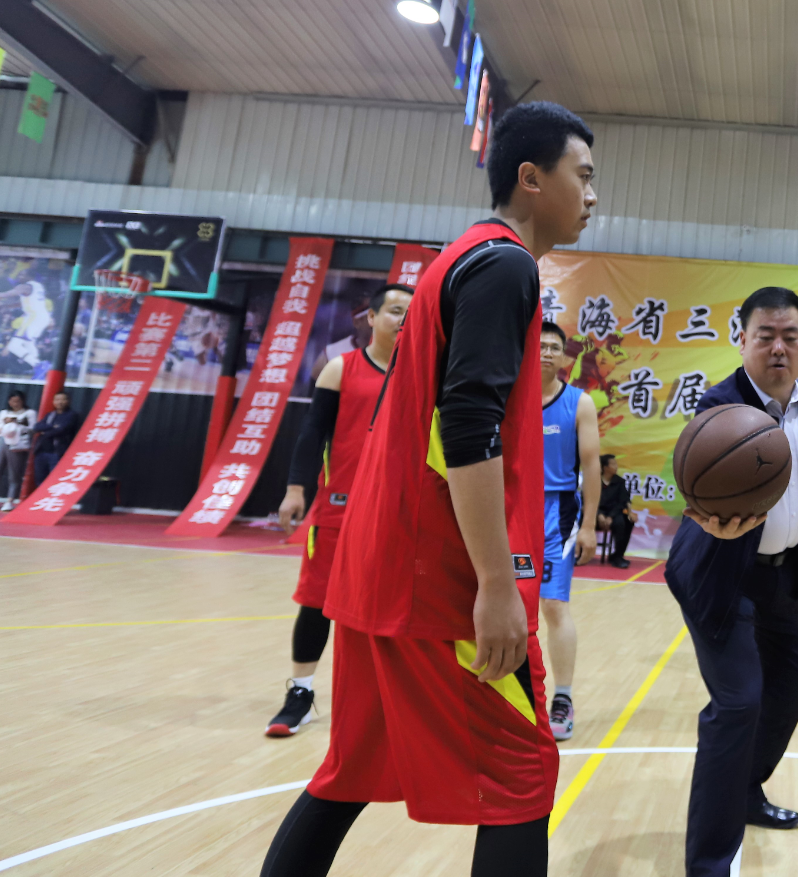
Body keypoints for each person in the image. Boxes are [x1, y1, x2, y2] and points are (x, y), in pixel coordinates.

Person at [258, 101, 597, 877]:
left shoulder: (458, 259)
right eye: (582, 175)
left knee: (349, 772)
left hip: (381, 570)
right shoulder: (505, 265)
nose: (592, 194)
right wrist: (496, 584)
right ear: (531, 178)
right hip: (437, 580)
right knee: (521, 773)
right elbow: (466, 424)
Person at [665, 286, 798, 877]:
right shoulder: (719, 406)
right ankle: (709, 863)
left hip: (782, 580)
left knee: (789, 688)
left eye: (790, 337)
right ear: (741, 339)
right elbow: (696, 490)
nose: (778, 348)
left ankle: (745, 791)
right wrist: (711, 520)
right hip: (721, 579)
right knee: (738, 702)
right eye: (765, 336)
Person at [264, 283, 413, 737]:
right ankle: (301, 694)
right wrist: (295, 489)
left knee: (392, 609)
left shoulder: (424, 375)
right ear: (371, 318)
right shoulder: (340, 369)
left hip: (400, 511)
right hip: (339, 508)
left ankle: (386, 699)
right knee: (317, 603)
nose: (403, 320)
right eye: (395, 311)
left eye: (412, 313)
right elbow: (312, 436)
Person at [538, 319, 600, 742]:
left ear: (564, 357)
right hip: (509, 509)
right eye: (539, 345)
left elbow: (592, 467)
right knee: (502, 602)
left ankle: (562, 696)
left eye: (554, 347)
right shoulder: (506, 396)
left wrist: (589, 525)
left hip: (557, 513)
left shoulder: (580, 403)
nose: (546, 352)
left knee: (553, 605)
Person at [30, 391, 81, 485]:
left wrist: (44, 432)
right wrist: (52, 426)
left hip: (57, 453)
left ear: (69, 401)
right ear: (53, 401)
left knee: (54, 480)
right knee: (40, 479)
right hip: (41, 452)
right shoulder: (50, 415)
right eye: (57, 400)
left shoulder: (72, 415)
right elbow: (37, 427)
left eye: (63, 399)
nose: (60, 402)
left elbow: (61, 429)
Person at [597, 453, 637, 567]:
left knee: (624, 522)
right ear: (605, 467)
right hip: (596, 513)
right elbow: (587, 499)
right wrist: (599, 514)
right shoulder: (594, 481)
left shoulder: (620, 482)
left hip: (614, 514)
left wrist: (610, 516)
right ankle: (579, 554)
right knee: (580, 520)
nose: (616, 466)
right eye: (613, 464)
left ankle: (618, 556)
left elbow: (623, 501)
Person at [1, 390, 37, 510]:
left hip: (18, 445)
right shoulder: (4, 413)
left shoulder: (30, 413)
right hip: (3, 442)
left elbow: (32, 428)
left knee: (14, 474)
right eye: (12, 401)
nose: (15, 404)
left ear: (23, 401)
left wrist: (16, 423)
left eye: (18, 401)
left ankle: (10, 500)